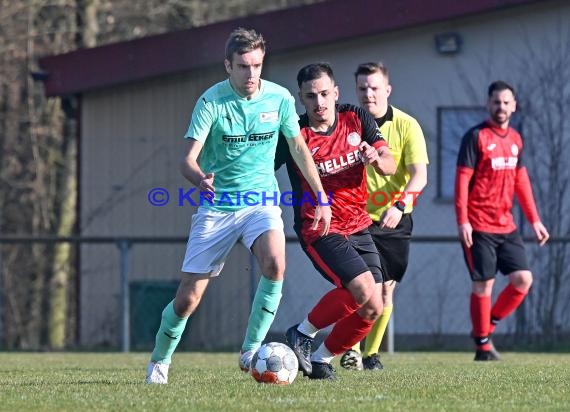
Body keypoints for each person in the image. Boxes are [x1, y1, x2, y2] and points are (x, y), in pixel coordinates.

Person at [145, 28, 332, 384]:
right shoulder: (211, 102)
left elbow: (299, 150)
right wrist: (199, 178)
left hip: (260, 201)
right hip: (217, 207)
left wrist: (321, 195)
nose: (251, 74)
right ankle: (160, 360)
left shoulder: (278, 99)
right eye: (243, 66)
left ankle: (251, 349)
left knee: (276, 263)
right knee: (187, 301)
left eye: (257, 65)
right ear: (228, 65)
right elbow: (186, 159)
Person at [275, 62, 396, 380]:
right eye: (311, 96)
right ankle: (301, 333)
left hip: (358, 223)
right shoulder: (294, 133)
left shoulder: (356, 118)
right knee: (361, 287)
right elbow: (259, 165)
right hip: (320, 227)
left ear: (336, 92)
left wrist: (376, 158)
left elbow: (390, 164)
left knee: (373, 307)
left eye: (325, 94)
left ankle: (320, 359)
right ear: (301, 99)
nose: (319, 102)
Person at [340, 62, 428, 371]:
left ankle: (370, 354)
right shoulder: (347, 125)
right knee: (358, 286)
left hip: (394, 220)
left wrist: (400, 205)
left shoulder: (407, 125)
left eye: (374, 87)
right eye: (362, 88)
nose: (368, 94)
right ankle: (349, 349)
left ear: (387, 90)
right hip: (353, 219)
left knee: (386, 288)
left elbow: (420, 177)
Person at [455, 80, 549, 361]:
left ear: (514, 106)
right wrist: (463, 221)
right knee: (484, 284)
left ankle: (486, 326)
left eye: (506, 102)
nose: (501, 107)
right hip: (478, 225)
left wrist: (535, 220)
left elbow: (521, 180)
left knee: (523, 280)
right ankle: (483, 348)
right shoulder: (475, 137)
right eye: (496, 102)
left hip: (506, 225)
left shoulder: (517, 139)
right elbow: (462, 181)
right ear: (488, 104)